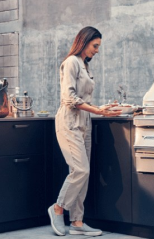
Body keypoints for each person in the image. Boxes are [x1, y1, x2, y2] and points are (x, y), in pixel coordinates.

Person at [48, 27, 122, 236]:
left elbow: (84, 100)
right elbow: (69, 98)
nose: (97, 50)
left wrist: (103, 108)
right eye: (95, 46)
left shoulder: (84, 66)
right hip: (69, 122)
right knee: (81, 170)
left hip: (84, 123)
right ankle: (58, 208)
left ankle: (77, 223)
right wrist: (98, 110)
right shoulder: (71, 62)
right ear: (84, 41)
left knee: (82, 175)